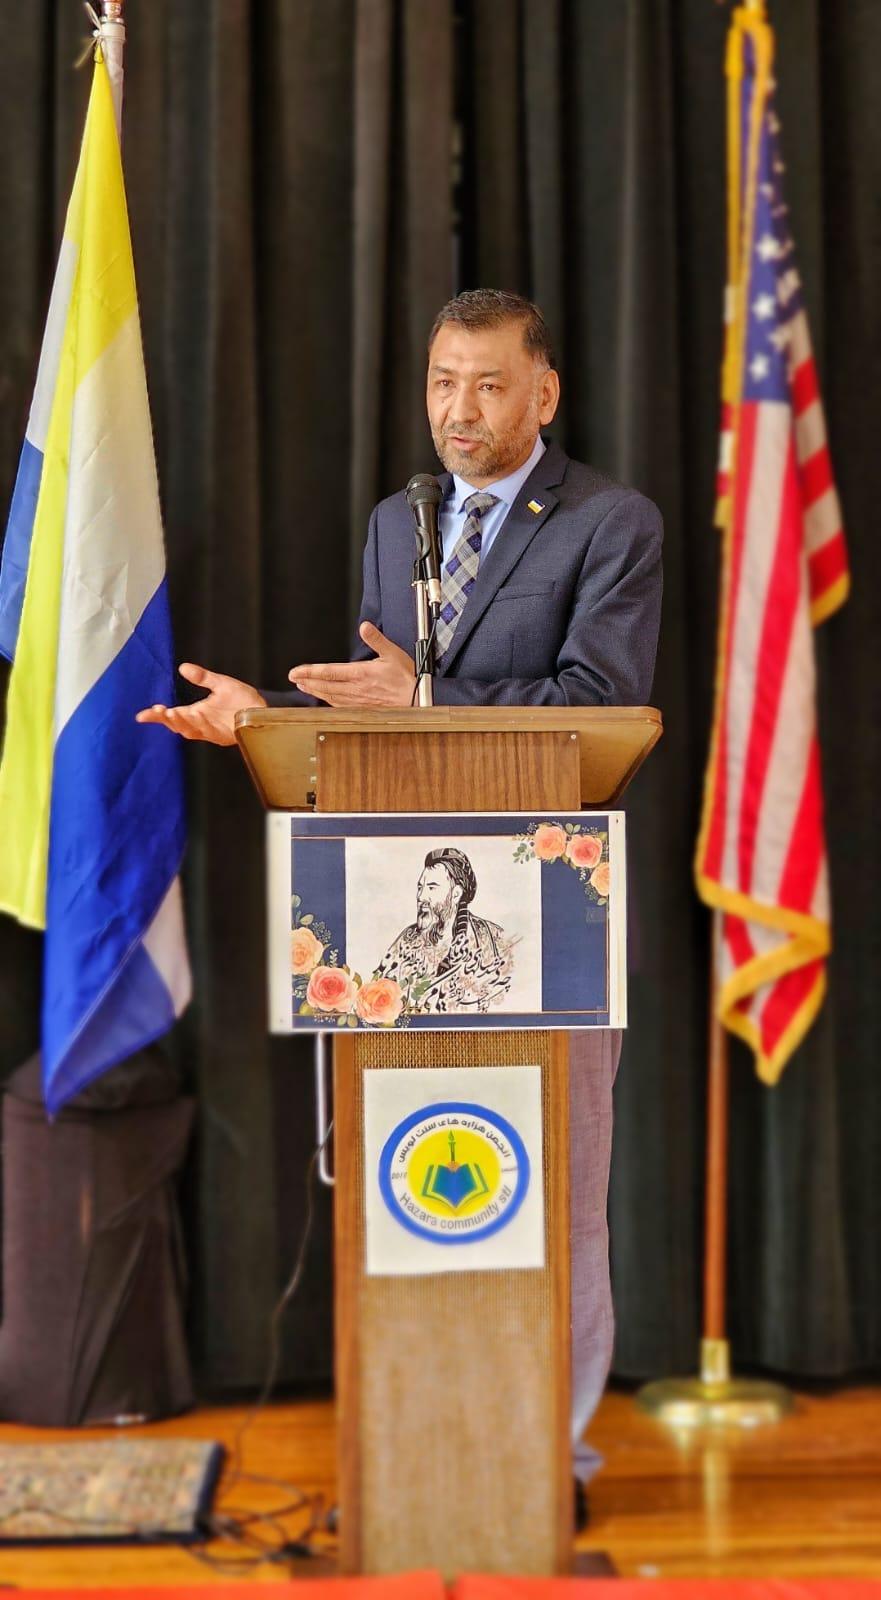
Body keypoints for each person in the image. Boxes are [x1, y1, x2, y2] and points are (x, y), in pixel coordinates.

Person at [137, 288, 663, 1506]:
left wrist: (419, 697)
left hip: (548, 913)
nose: (456, 408)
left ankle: (549, 1456)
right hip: (395, 920)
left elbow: (599, 701)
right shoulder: (398, 522)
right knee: (413, 1180)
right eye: (440, 381)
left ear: (542, 394)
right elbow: (385, 718)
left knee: (555, 1195)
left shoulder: (609, 522)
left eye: (486, 383)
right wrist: (264, 719)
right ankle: (419, 1431)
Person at [376, 846, 515, 1014]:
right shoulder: (407, 940)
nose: (420, 897)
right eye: (420, 887)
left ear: (456, 894)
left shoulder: (493, 939)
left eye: (432, 887)